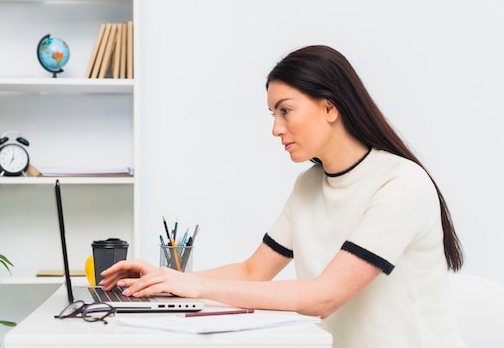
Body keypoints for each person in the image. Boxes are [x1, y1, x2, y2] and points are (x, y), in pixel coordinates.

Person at [101, 45, 466, 348]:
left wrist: (193, 285)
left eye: (286, 110)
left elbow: (324, 297)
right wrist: (166, 280)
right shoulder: (308, 185)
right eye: (273, 114)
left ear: (330, 107)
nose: (276, 128)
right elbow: (253, 271)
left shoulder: (402, 184)